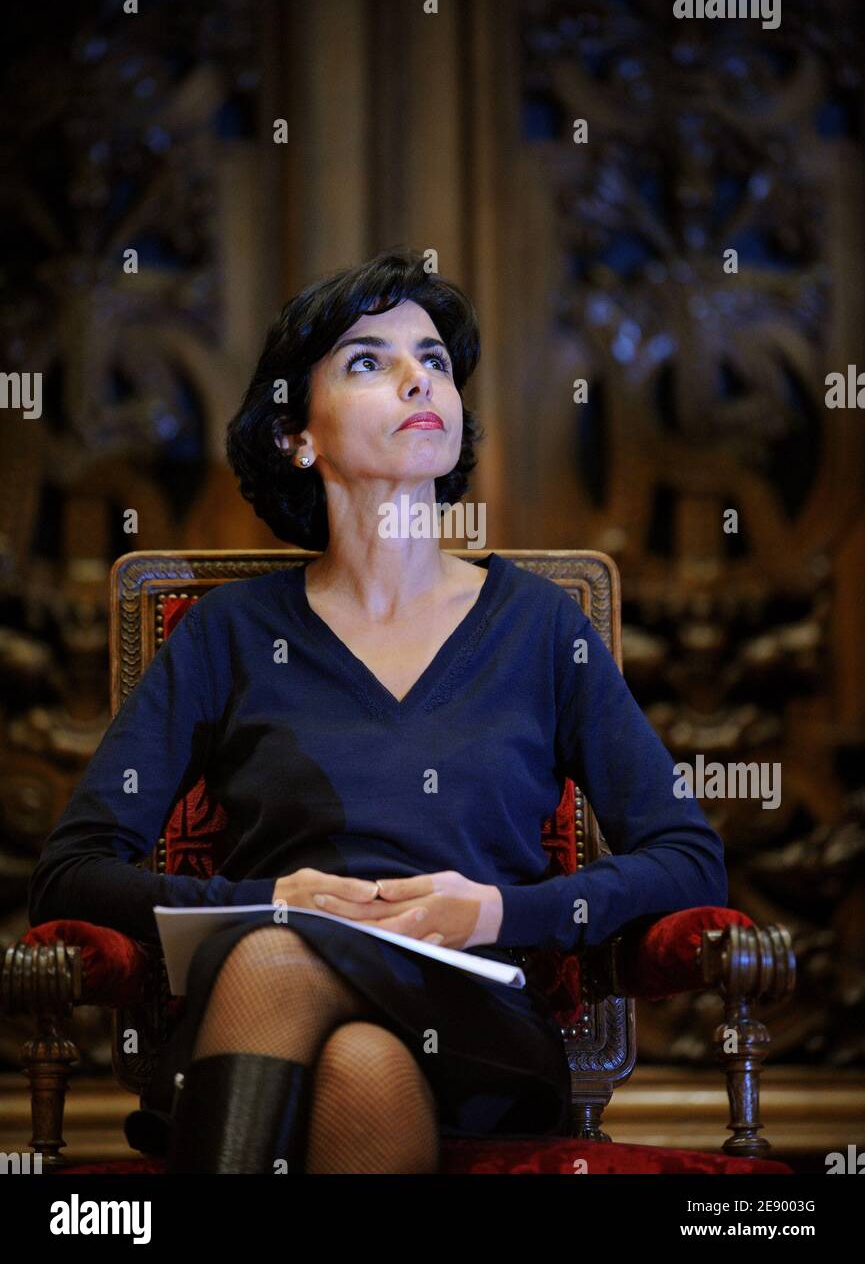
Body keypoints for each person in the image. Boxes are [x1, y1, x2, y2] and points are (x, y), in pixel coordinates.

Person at [27, 249, 728, 1174]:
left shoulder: (534, 626)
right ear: (296, 436)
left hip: (479, 1025)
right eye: (368, 361)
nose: (416, 379)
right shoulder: (224, 636)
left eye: (433, 360)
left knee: (274, 965)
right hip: (279, 1026)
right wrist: (269, 899)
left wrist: (495, 913)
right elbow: (71, 873)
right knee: (353, 1051)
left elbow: (689, 860)